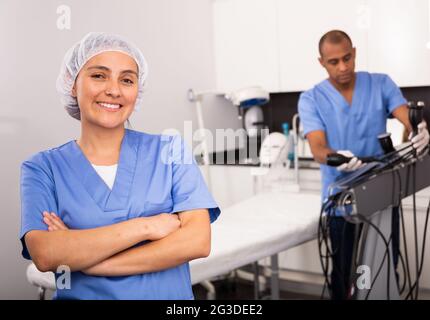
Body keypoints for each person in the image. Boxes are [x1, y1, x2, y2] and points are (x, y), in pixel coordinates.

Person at [19, 32, 220, 300]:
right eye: (99, 75)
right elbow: (46, 255)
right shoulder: (42, 169)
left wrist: (88, 260)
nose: (114, 90)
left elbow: (197, 241)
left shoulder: (171, 151)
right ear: (73, 84)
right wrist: (146, 227)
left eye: (127, 80)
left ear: (137, 90)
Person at [298, 30, 429, 299]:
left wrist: (419, 127)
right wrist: (339, 157)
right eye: (334, 62)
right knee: (344, 272)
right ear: (321, 62)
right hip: (341, 200)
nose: (343, 67)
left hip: (381, 194)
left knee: (379, 266)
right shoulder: (311, 99)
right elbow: (318, 148)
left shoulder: (380, 84)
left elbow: (405, 115)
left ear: (354, 53)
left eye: (347, 58)